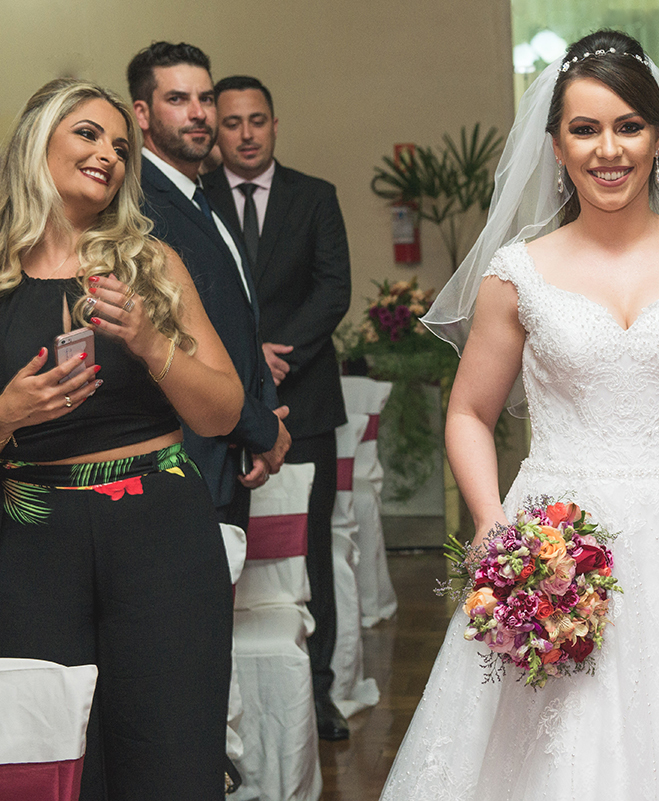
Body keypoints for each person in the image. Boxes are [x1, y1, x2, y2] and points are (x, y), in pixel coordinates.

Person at [379, 30, 659, 801]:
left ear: (657, 136)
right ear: (555, 144)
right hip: (554, 534)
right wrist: (491, 523)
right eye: (584, 129)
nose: (607, 149)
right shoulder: (517, 274)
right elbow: (469, 414)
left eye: (628, 125)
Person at [0, 79, 244, 800]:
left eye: (118, 144)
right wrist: (6, 410)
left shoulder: (150, 264)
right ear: (36, 140)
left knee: (169, 747)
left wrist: (148, 338)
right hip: (30, 541)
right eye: (87, 134)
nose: (108, 153)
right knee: (43, 753)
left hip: (158, 532)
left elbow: (223, 412)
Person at [203, 74, 353, 740]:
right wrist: (243, 355)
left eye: (256, 119)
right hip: (217, 404)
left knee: (311, 551)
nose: (244, 132)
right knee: (219, 545)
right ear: (217, 130)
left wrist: (274, 351)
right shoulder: (192, 199)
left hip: (306, 398)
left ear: (273, 123)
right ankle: (215, 697)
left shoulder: (316, 196)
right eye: (231, 121)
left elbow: (334, 288)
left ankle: (318, 695)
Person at [126, 42, 290, 527]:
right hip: (185, 461)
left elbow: (233, 324)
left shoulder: (199, 195)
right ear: (142, 113)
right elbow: (182, 341)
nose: (199, 114)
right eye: (178, 100)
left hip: (226, 452)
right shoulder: (141, 208)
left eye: (206, 98)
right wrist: (261, 429)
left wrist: (259, 424)